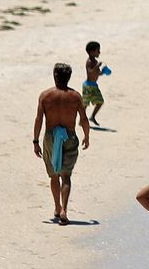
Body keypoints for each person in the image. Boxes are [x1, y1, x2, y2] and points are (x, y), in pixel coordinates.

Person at [33, 63, 90, 226]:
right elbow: (84, 119)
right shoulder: (75, 96)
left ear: (54, 75)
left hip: (51, 137)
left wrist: (36, 141)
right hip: (69, 137)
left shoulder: (45, 96)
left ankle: (57, 207)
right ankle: (64, 209)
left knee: (53, 175)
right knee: (66, 176)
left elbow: (38, 119)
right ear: (69, 77)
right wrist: (87, 136)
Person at [83, 41, 105, 126]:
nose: (99, 52)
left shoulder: (95, 61)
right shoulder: (89, 62)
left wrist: (103, 72)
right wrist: (97, 67)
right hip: (88, 85)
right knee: (85, 103)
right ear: (91, 52)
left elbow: (97, 73)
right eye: (97, 50)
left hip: (94, 85)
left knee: (100, 102)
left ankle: (92, 117)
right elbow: (90, 72)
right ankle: (82, 119)